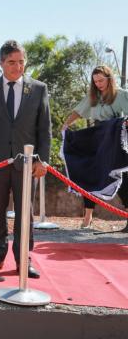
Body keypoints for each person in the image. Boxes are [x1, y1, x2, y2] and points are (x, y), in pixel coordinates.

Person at [0, 40, 51, 279]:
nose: (17, 67)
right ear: (1, 64)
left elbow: (44, 129)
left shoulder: (38, 89)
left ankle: (23, 259)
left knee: (24, 212)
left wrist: (43, 160)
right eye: (11, 62)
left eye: (21, 62)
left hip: (28, 163)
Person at [62, 65, 128, 229]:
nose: (98, 84)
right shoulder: (93, 95)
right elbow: (78, 111)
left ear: (109, 78)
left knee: (123, 177)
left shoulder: (121, 94)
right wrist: (65, 125)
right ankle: (87, 218)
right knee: (90, 172)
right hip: (98, 135)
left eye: (101, 80)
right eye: (95, 81)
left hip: (116, 136)